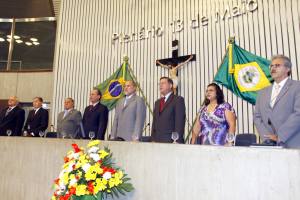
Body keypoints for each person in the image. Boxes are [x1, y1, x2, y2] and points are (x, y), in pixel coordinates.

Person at [254, 55, 300, 148]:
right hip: (269, 145)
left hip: (293, 142)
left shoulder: (297, 87)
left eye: (277, 65)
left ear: (288, 69)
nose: (273, 68)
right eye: (271, 66)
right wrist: (268, 138)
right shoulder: (262, 92)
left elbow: (298, 114)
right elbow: (257, 116)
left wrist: (280, 136)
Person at [151, 77, 186, 143]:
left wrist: (176, 140)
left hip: (171, 141)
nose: (160, 85)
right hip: (157, 141)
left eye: (163, 83)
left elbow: (179, 123)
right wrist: (153, 139)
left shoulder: (178, 100)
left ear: (170, 85)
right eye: (159, 84)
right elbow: (154, 122)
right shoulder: (157, 102)